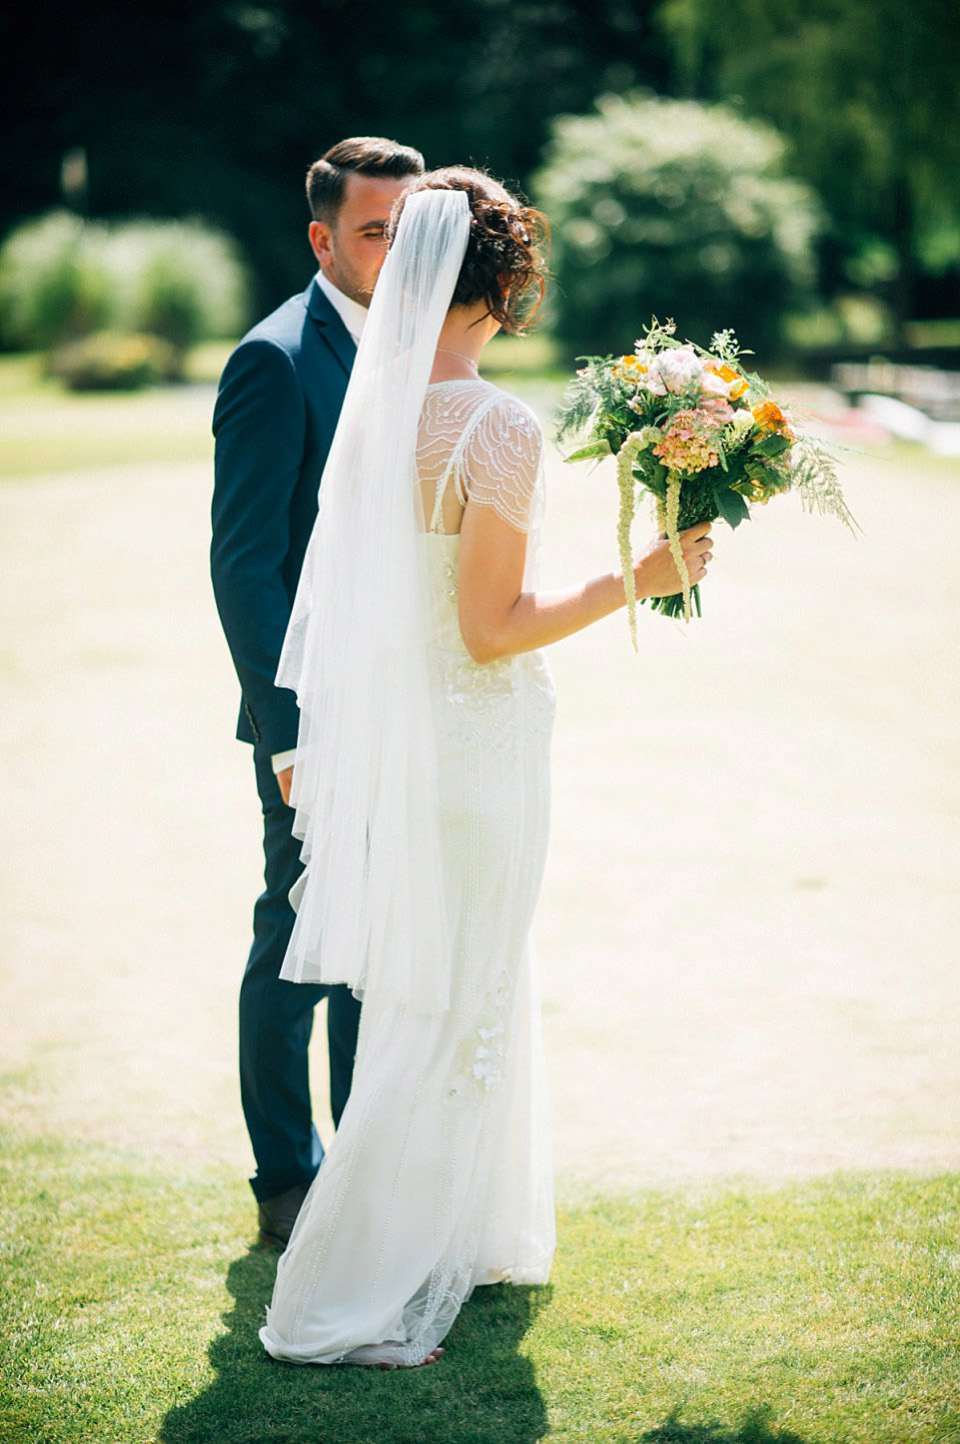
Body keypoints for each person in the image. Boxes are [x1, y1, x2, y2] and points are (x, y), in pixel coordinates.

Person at [259, 168, 713, 1368]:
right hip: (476, 739)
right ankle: (352, 1283)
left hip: (414, 744)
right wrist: (644, 577)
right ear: (504, 286)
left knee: (444, 994)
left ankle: (471, 1229)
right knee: (457, 998)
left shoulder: (373, 410)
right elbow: (493, 625)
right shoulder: (492, 423)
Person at [211, 137, 426, 1249]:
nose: (392, 254)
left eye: (407, 230)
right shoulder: (274, 360)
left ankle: (363, 1162)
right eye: (372, 232)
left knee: (380, 944)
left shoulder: (419, 352)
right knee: (297, 944)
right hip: (316, 715)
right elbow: (244, 562)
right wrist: (288, 731)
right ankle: (286, 1181)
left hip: (409, 705)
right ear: (322, 239)